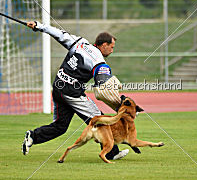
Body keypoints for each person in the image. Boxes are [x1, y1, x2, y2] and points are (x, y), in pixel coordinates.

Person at [22, 20, 129, 161]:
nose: (112, 50)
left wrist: (38, 26)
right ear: (104, 45)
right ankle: (111, 153)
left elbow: (58, 33)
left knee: (60, 126)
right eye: (111, 47)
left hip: (58, 87)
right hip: (71, 92)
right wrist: (118, 104)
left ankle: (33, 136)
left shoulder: (80, 42)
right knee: (100, 119)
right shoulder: (99, 61)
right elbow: (102, 86)